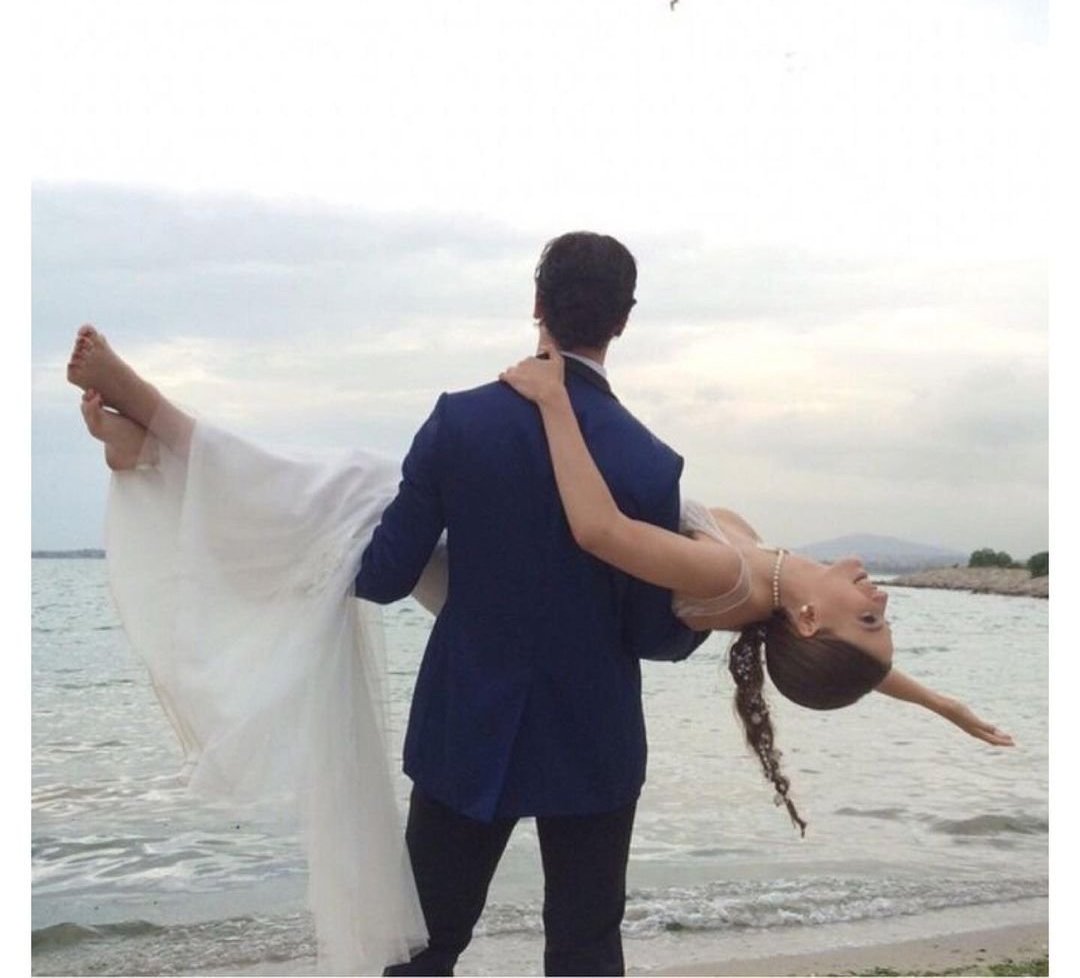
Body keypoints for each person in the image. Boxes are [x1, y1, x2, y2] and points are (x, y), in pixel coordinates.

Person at [498, 340, 1015, 835]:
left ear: (808, 620)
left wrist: (553, 399)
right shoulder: (775, 580)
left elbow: (599, 530)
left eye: (869, 618)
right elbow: (854, 663)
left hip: (505, 550)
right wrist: (941, 703)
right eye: (880, 618)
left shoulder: (729, 579)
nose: (880, 598)